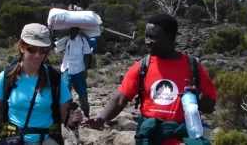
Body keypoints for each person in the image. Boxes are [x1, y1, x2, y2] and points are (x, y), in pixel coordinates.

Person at [83, 13, 217, 145]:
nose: (147, 42)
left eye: (153, 37)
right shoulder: (143, 66)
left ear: (170, 37)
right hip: (150, 137)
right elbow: (120, 99)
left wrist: (198, 96)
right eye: (146, 37)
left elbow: (210, 106)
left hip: (182, 136)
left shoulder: (193, 66)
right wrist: (103, 117)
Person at [0, 23, 83, 145]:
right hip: (14, 140)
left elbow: (66, 119)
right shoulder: (6, 76)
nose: (38, 55)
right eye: (32, 49)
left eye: (43, 50)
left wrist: (74, 118)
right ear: (22, 47)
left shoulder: (55, 78)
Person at [55, 27, 91, 118]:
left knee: (82, 92)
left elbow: (87, 55)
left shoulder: (83, 41)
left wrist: (86, 70)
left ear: (78, 31)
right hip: (67, 68)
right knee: (65, 90)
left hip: (79, 70)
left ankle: (85, 112)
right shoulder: (67, 39)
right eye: (70, 30)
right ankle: (67, 111)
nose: (71, 32)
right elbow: (56, 46)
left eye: (74, 30)